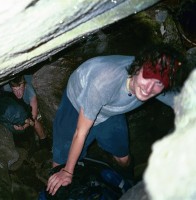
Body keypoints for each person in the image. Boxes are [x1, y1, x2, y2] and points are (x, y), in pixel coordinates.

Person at [46, 44, 187, 196]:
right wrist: (67, 171)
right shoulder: (105, 80)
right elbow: (80, 132)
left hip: (110, 112)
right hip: (77, 105)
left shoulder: (155, 81)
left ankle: (128, 184)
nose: (149, 88)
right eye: (147, 76)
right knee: (60, 165)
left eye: (159, 83)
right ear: (137, 68)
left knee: (123, 158)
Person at [3, 75, 50, 149]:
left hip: (30, 98)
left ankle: (44, 140)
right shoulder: (7, 87)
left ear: (24, 86)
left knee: (35, 122)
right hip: (20, 102)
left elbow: (33, 117)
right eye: (15, 90)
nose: (18, 93)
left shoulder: (30, 92)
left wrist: (24, 126)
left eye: (20, 89)